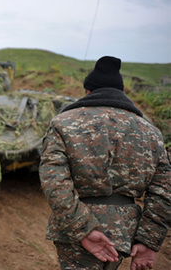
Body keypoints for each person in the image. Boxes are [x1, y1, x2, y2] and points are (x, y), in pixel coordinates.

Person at [39, 56, 171, 270]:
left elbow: (55, 182)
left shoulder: (63, 123)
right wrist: (149, 241)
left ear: (88, 92)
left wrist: (83, 229)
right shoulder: (152, 133)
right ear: (120, 91)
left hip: (76, 232)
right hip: (124, 232)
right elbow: (164, 191)